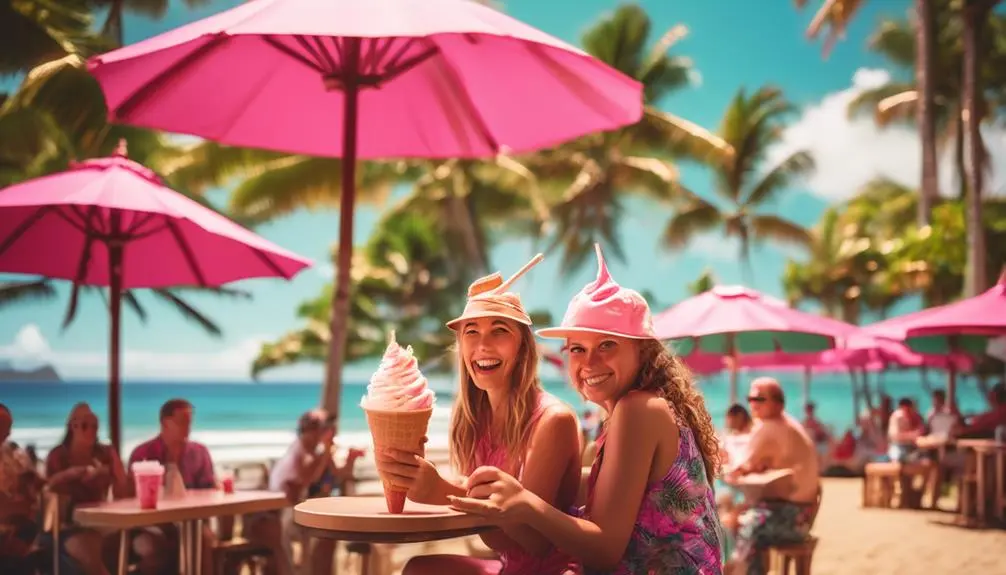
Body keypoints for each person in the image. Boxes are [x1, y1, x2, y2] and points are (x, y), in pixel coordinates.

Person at [448, 245, 723, 574]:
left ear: (644, 350)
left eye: (607, 345)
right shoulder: (636, 410)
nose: (589, 363)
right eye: (577, 348)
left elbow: (604, 549)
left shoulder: (639, 410)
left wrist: (525, 503)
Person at [378, 254, 582, 575]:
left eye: (499, 330)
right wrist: (420, 476)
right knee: (418, 569)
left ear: (522, 349)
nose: (483, 344)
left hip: (552, 571)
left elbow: (534, 542)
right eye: (471, 331)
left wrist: (443, 491)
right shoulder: (473, 419)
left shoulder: (552, 420)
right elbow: (489, 526)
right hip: (507, 569)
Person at [248, 409, 362, 575]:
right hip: (283, 511)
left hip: (292, 509)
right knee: (324, 534)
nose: (321, 434)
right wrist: (325, 452)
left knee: (327, 534)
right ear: (308, 431)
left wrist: (348, 458)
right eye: (319, 429)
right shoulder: (300, 453)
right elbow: (305, 481)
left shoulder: (313, 452)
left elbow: (337, 475)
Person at [725, 377, 819, 575]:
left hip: (791, 518)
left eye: (759, 399)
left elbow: (736, 471)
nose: (753, 404)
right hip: (803, 517)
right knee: (739, 516)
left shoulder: (770, 427)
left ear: (778, 403)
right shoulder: (788, 424)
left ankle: (735, 570)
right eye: (750, 398)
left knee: (741, 523)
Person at [127, 399, 217, 575]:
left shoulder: (199, 453)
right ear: (164, 423)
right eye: (182, 421)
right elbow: (132, 499)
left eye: (190, 422)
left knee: (203, 539)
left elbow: (209, 491)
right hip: (150, 525)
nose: (187, 427)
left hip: (191, 523)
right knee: (152, 545)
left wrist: (216, 488)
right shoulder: (143, 454)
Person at [44, 403, 128, 575]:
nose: (90, 430)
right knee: (89, 551)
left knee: (142, 542)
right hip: (68, 524)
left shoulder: (105, 453)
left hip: (102, 519)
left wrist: (112, 471)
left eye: (95, 426)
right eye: (84, 425)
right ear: (72, 427)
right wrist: (69, 475)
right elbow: (48, 491)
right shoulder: (58, 456)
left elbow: (123, 492)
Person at [0, 403, 45, 575]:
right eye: (3, 426)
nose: (8, 432)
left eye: (9, 427)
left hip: (16, 525)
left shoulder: (9, 452)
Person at [886, 398, 925, 462]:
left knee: (925, 457)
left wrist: (918, 432)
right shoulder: (897, 416)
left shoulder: (915, 415)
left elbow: (921, 430)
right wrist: (911, 435)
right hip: (898, 446)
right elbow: (894, 436)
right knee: (897, 458)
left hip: (912, 447)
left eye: (909, 410)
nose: (907, 412)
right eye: (906, 410)